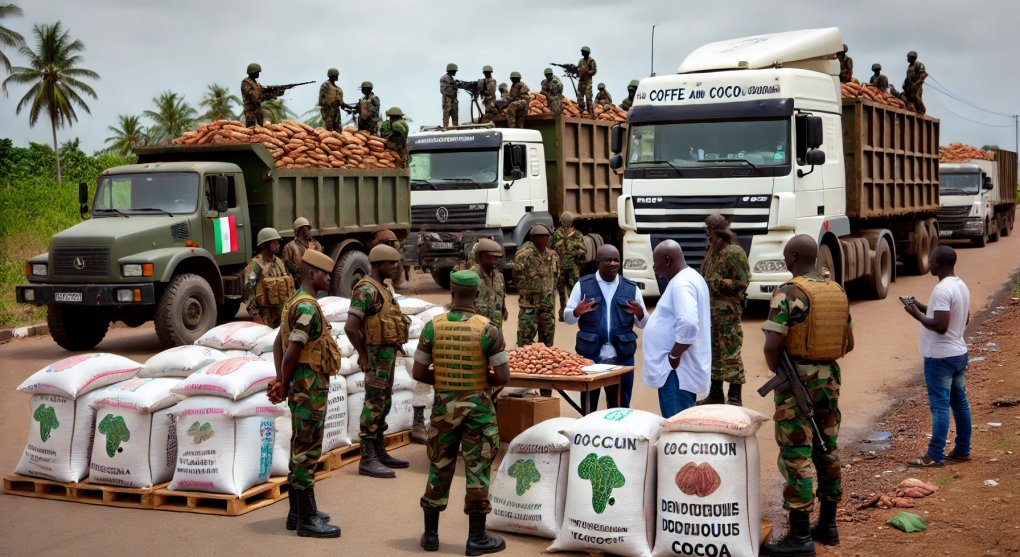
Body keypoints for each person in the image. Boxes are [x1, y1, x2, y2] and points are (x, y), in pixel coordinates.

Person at [760, 234, 853, 556]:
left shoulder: (789, 292)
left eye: (787, 256)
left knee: (796, 454)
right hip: (830, 381)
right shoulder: (837, 291)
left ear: (795, 256)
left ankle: (799, 537)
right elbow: (848, 343)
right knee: (827, 449)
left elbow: (772, 345)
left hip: (797, 380)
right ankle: (828, 525)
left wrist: (783, 373)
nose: (786, 262)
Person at [412, 270, 509, 555]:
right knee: (477, 470)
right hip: (478, 411)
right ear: (477, 294)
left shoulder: (433, 327)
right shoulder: (489, 329)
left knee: (439, 467)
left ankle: (431, 535)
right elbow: (503, 376)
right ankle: (476, 538)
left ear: (451, 293)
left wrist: (444, 384)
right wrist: (479, 385)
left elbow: (419, 372)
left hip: (444, 410)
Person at [267, 249, 342, 538]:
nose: (328, 278)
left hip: (301, 385)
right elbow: (291, 351)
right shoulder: (308, 307)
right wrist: (283, 383)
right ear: (313, 274)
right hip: (309, 387)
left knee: (300, 445)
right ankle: (308, 520)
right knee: (307, 451)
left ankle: (296, 512)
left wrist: (280, 379)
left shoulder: (293, 303)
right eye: (325, 274)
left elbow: (277, 344)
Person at [345, 244, 411, 478]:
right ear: (379, 264)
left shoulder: (383, 289)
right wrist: (362, 354)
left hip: (387, 355)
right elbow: (351, 327)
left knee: (384, 402)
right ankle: (367, 457)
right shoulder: (366, 290)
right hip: (375, 356)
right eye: (391, 264)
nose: (395, 268)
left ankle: (380, 450)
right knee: (373, 403)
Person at [902, 246, 972, 468]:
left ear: (939, 262)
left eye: (931, 259)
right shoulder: (960, 285)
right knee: (960, 403)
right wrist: (921, 305)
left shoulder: (942, 289)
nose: (928, 263)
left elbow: (941, 326)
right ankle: (962, 450)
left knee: (940, 406)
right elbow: (962, 317)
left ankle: (934, 455)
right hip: (958, 353)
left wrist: (916, 315)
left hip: (940, 357)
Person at [564, 245, 647, 411]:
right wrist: (576, 311)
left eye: (616, 260)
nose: (613, 263)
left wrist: (640, 314)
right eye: (608, 260)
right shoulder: (583, 286)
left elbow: (643, 324)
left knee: (621, 407)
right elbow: (568, 319)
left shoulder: (631, 288)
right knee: (589, 406)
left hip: (622, 359)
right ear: (598, 262)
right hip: (591, 358)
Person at [641, 240, 711, 417]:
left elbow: (687, 323)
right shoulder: (690, 277)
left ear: (667, 259)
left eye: (655, 261)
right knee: (681, 422)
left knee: (677, 426)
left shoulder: (682, 284)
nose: (654, 267)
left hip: (676, 371)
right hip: (677, 370)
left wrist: (674, 355)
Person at [699, 215, 750, 406]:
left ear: (718, 229)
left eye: (709, 228)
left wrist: (715, 282)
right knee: (715, 354)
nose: (707, 232)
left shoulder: (734, 252)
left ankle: (735, 397)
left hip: (728, 313)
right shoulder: (713, 250)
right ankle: (716, 394)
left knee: (731, 354)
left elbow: (742, 282)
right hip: (711, 314)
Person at [513, 224, 559, 349]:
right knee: (525, 344)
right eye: (539, 237)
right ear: (533, 238)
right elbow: (518, 277)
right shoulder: (524, 255)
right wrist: (530, 292)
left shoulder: (553, 255)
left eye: (545, 237)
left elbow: (556, 277)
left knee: (547, 345)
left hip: (548, 306)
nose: (543, 240)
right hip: (530, 307)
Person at [244, 227, 294, 328]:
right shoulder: (255, 265)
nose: (279, 245)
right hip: (266, 316)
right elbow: (248, 292)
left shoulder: (279, 262)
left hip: (283, 313)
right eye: (275, 243)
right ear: (266, 244)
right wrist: (255, 315)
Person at [550, 211, 586, 321]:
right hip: (573, 268)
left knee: (561, 292)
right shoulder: (577, 234)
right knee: (574, 291)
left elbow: (551, 250)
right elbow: (584, 251)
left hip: (559, 268)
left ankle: (562, 314)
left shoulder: (556, 234)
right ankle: (575, 314)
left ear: (561, 220)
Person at [472, 238, 508, 329]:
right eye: (489, 257)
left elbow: (502, 302)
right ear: (480, 256)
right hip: (476, 329)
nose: (493, 261)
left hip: (496, 328)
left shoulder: (499, 277)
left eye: (495, 258)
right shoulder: (471, 276)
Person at [282, 217, 323, 286]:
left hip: (313, 281)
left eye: (308, 228)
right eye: (303, 229)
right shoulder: (289, 247)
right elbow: (285, 267)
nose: (307, 232)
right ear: (297, 232)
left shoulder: (316, 245)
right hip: (297, 283)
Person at [241, 62, 282, 128]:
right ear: (252, 72)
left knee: (260, 130)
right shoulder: (245, 83)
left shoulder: (256, 84)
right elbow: (255, 97)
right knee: (251, 130)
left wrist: (275, 92)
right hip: (251, 112)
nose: (258, 74)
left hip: (258, 111)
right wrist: (267, 94)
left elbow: (262, 93)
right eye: (257, 72)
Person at [319, 68, 344, 132]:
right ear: (332, 76)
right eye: (336, 75)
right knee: (330, 130)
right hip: (328, 110)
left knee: (338, 130)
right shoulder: (325, 85)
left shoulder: (337, 88)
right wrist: (330, 103)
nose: (337, 77)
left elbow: (341, 102)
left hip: (336, 110)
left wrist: (346, 106)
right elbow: (321, 100)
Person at [577, 46, 598, 117]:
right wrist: (578, 70)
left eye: (583, 51)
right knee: (580, 98)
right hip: (581, 81)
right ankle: (581, 112)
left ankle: (591, 113)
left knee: (588, 98)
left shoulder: (591, 61)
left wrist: (587, 72)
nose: (582, 53)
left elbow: (594, 71)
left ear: (587, 52)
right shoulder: (581, 61)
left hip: (588, 82)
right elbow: (577, 69)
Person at [440, 63, 459, 127]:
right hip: (447, 101)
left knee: (455, 117)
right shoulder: (444, 78)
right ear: (452, 70)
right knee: (446, 117)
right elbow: (443, 90)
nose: (455, 72)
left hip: (453, 101)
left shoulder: (451, 78)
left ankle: (456, 129)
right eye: (455, 71)